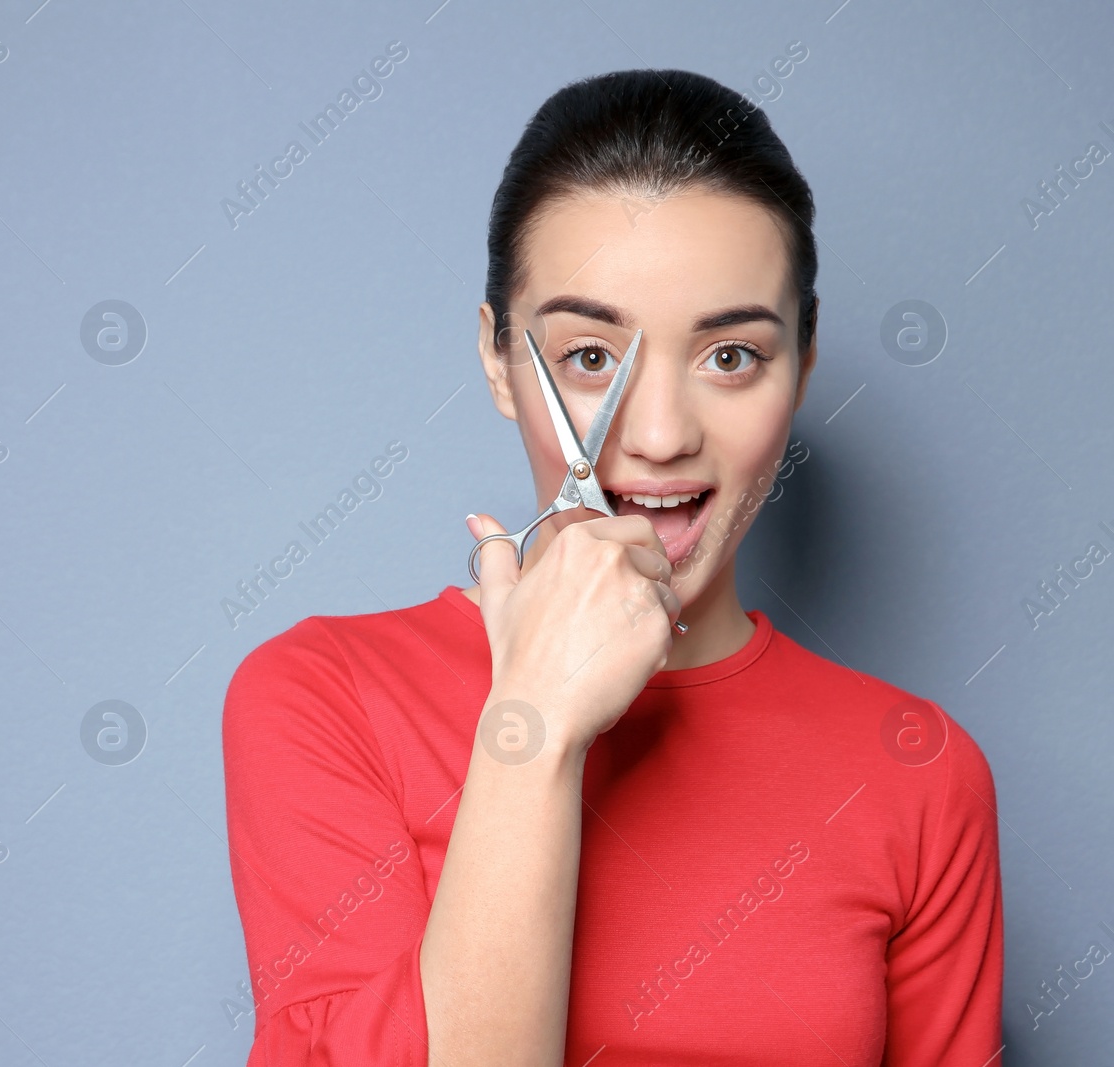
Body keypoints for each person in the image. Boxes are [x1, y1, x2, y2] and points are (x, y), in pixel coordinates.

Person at [221, 68, 1002, 1066]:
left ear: (801, 368)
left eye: (730, 357)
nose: (662, 435)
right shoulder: (324, 697)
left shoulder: (918, 772)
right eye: (590, 356)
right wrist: (531, 731)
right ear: (500, 361)